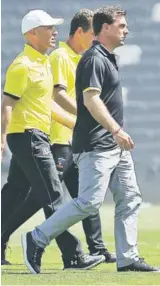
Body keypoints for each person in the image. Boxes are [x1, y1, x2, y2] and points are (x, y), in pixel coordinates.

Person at [21, 6, 160, 274]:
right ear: (105, 28)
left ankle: (128, 258)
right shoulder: (94, 59)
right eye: (121, 25)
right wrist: (116, 130)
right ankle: (36, 237)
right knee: (88, 202)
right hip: (97, 144)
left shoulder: (107, 57)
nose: (126, 30)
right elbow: (90, 99)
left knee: (130, 197)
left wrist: (116, 136)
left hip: (114, 146)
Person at [1, 10, 105, 270]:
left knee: (14, 193)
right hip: (28, 137)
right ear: (31, 33)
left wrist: (79, 121)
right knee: (54, 195)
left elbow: (47, 106)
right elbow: (7, 105)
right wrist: (1, 138)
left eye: (54, 28)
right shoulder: (22, 65)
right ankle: (74, 256)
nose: (54, 33)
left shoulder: (43, 64)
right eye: (48, 28)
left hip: (35, 136)